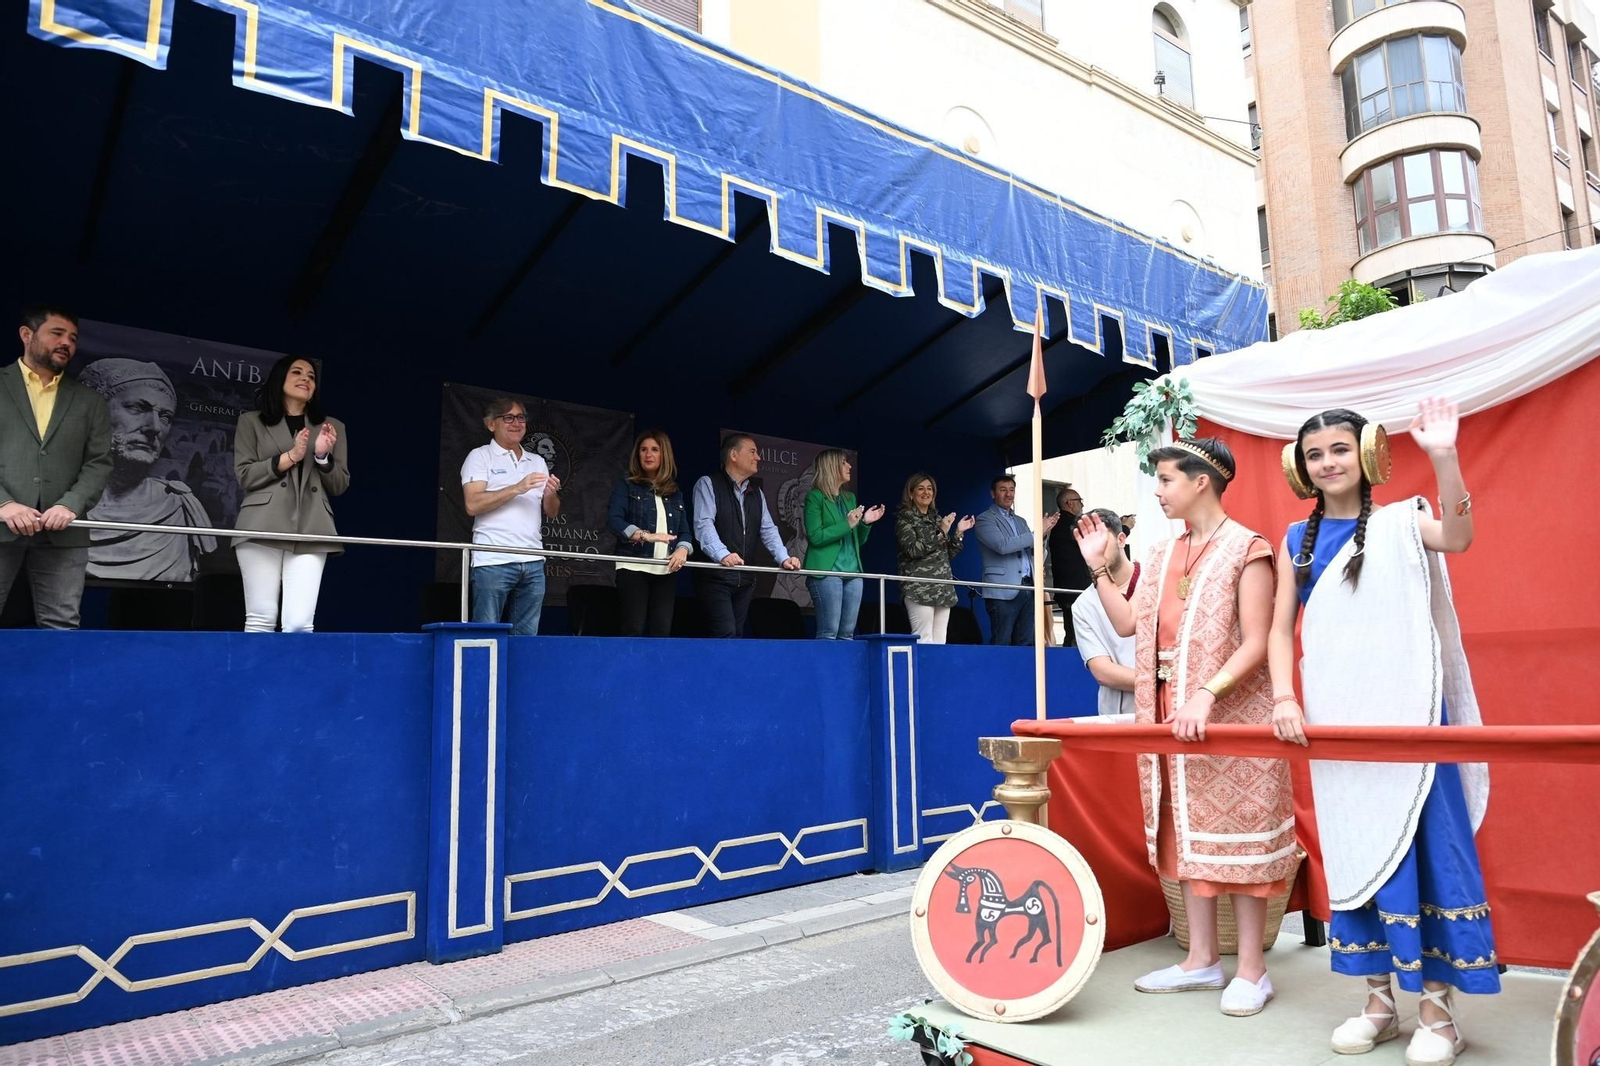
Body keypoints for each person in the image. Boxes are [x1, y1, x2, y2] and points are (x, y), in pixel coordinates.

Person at [1268, 401, 1494, 1064]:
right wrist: (1284, 696)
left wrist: (1445, 455)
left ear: (1365, 454)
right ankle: (1378, 1003)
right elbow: (1282, 629)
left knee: (1428, 852)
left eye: (1339, 449)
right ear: (1300, 468)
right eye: (1315, 455)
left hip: (1413, 715)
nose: (1328, 462)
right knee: (1360, 848)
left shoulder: (1403, 520)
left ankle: (1439, 1012)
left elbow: (1458, 537)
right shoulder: (1294, 540)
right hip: (1340, 722)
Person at [1073, 437, 1292, 1018]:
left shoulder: (1249, 548)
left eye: (1166, 480)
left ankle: (1251, 968)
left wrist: (1206, 693)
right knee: (1183, 837)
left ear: (1202, 481)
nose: (1158, 491)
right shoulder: (1164, 552)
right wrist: (1100, 565)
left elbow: (1258, 639)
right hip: (1167, 716)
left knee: (1238, 843)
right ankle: (1200, 960)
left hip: (1228, 717)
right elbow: (1126, 622)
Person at [0, 306, 111, 628]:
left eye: (73, 338)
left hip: (64, 531)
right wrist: (4, 504)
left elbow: (99, 462)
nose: (67, 343)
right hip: (1, 523)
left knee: (62, 625)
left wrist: (69, 504)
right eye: (57, 333)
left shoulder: (90, 401)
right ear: (26, 335)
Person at [233, 356, 348, 633]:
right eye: (297, 372)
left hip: (312, 527)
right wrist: (291, 456)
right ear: (279, 379)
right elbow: (244, 475)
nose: (306, 379)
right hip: (261, 524)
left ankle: (291, 678)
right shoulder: (252, 422)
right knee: (260, 617)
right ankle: (257, 677)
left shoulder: (332, 426)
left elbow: (339, 484)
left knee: (299, 623)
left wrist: (322, 456)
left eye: (311, 376)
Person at [80, 358, 215, 583]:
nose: (154, 427)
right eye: (136, 408)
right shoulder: (50, 498)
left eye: (165, 417)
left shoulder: (180, 508)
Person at [461, 397, 561, 636]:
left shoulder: (537, 460)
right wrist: (517, 487)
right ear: (491, 424)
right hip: (493, 559)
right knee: (485, 636)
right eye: (508, 417)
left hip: (533, 559)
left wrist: (551, 494)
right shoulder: (480, 456)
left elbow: (552, 511)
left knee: (526, 639)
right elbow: (472, 505)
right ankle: (484, 675)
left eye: (520, 417)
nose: (516, 423)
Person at [692, 434, 802, 638]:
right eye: (752, 452)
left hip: (745, 579)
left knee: (737, 635)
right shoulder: (708, 484)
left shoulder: (756, 492)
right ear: (733, 455)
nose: (758, 457)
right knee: (725, 633)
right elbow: (703, 525)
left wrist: (784, 558)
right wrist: (723, 555)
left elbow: (768, 530)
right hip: (716, 577)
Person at [606, 429, 691, 637]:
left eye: (654, 449)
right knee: (633, 628)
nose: (648, 454)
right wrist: (645, 535)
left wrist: (682, 550)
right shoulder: (626, 485)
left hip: (665, 570)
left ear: (665, 455)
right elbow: (614, 521)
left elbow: (685, 532)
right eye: (643, 450)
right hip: (633, 566)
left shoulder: (675, 492)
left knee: (661, 631)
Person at [802, 449, 883, 640]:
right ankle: (826, 671)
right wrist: (847, 524)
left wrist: (865, 523)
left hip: (853, 571)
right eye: (844, 463)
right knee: (828, 632)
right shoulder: (815, 497)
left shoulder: (850, 498)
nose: (849, 466)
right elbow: (815, 536)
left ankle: (842, 671)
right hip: (827, 571)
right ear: (832, 467)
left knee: (847, 633)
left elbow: (857, 540)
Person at [974, 474, 1058, 645]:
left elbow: (1037, 556)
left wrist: (1042, 537)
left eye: (1011, 490)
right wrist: (1036, 534)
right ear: (992, 494)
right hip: (1003, 590)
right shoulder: (985, 519)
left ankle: (1024, 673)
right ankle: (998, 672)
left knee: (1026, 642)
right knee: (1002, 640)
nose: (1008, 494)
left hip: (1029, 586)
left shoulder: (1021, 521)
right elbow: (1002, 546)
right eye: (1003, 490)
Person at [1071, 508, 1138, 716]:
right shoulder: (1083, 605)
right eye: (1085, 545)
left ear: (1121, 539)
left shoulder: (1156, 578)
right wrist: (1159, 681)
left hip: (1171, 709)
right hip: (1119, 716)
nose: (1093, 551)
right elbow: (1102, 672)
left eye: (1100, 541)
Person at [895, 472, 974, 645]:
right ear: (911, 493)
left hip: (942, 588)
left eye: (929, 489)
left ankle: (935, 673)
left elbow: (947, 554)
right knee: (924, 638)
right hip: (919, 589)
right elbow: (913, 551)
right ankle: (923, 673)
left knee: (940, 642)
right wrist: (941, 533)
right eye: (921, 489)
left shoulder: (937, 519)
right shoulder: (904, 519)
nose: (926, 493)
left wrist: (959, 532)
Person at [1046, 484, 1090, 645]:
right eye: (1079, 501)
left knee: (1075, 632)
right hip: (1074, 589)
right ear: (1069, 503)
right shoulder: (1071, 524)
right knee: (1076, 634)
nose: (1082, 504)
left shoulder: (1062, 525)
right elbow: (1095, 543)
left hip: (1070, 589)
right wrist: (1124, 528)